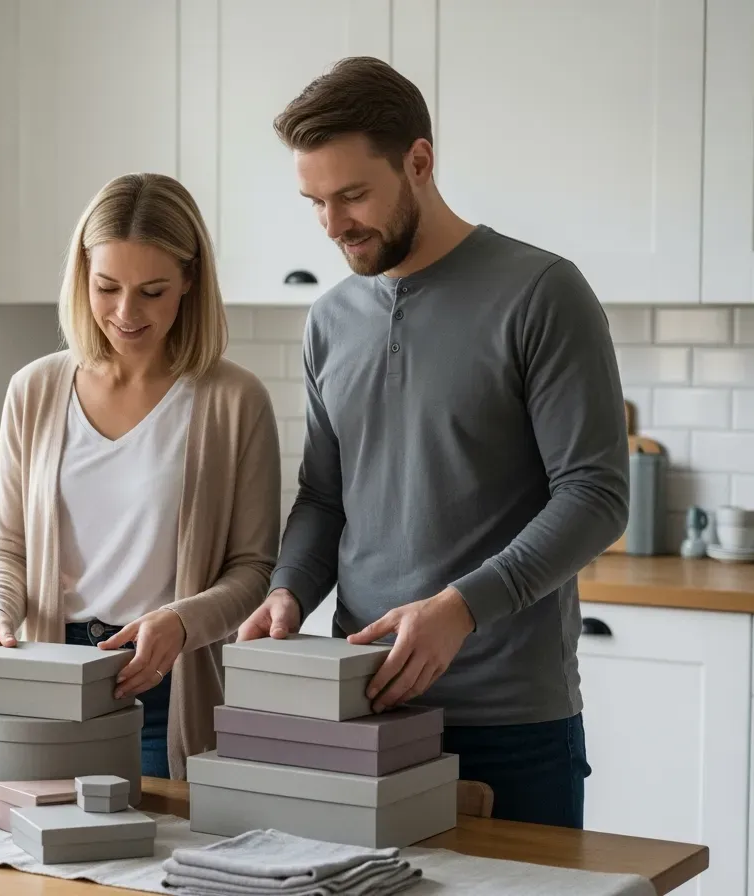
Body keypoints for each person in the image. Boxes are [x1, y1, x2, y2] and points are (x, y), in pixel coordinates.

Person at [237, 57, 628, 829]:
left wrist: (459, 608)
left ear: (419, 161)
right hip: (361, 711)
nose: (332, 224)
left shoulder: (542, 293)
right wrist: (288, 589)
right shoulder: (330, 321)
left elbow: (595, 495)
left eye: (352, 194)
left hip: (509, 723)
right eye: (314, 200)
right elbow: (324, 497)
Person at [0, 172, 282, 779]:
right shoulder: (34, 391)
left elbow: (254, 570)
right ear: (81, 275)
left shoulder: (234, 400)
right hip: (51, 677)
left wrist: (182, 622)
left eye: (153, 291)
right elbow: (7, 545)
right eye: (106, 286)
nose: (125, 313)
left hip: (170, 685)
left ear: (190, 281)